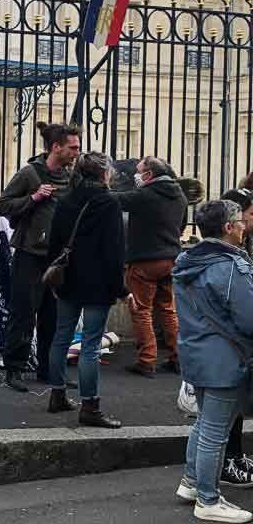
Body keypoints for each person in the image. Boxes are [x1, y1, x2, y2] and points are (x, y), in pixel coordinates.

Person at [175, 200, 253, 522]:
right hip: (226, 357)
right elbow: (249, 318)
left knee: (205, 423)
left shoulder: (187, 260)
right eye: (240, 221)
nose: (244, 226)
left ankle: (191, 483)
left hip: (197, 351)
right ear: (228, 228)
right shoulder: (230, 267)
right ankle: (208, 500)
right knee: (215, 431)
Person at [0, 123, 81, 392]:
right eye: (73, 147)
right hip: (29, 255)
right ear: (56, 147)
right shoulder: (30, 174)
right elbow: (3, 205)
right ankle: (14, 370)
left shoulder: (72, 177)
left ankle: (49, 370)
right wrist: (33, 198)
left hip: (58, 258)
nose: (77, 152)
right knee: (23, 313)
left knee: (53, 316)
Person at [44, 152, 126, 428]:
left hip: (68, 278)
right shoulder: (108, 202)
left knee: (61, 336)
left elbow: (54, 241)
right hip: (97, 282)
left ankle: (57, 394)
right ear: (104, 173)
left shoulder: (67, 198)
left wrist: (54, 275)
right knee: (91, 344)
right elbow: (114, 251)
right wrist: (121, 289)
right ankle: (90, 405)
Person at [111, 156, 189, 378]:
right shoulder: (179, 195)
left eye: (138, 172)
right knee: (167, 309)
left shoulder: (145, 194)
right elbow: (182, 225)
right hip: (171, 259)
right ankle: (178, 358)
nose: (135, 176)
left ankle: (147, 360)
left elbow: (114, 199)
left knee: (141, 309)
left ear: (149, 175)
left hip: (145, 260)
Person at [215, 188, 253, 488]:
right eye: (249, 216)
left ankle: (235, 455)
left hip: (234, 342)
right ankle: (225, 463)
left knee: (237, 403)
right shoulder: (225, 258)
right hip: (229, 343)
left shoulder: (242, 246)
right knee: (226, 408)